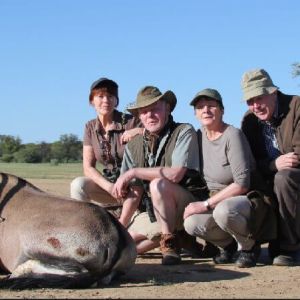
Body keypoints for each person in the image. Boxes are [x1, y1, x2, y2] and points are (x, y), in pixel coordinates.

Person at [112, 85, 207, 265]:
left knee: (158, 184)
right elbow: (136, 190)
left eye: (155, 109)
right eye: (144, 111)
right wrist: (121, 226)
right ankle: (180, 238)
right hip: (155, 211)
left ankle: (169, 243)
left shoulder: (184, 131)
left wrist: (134, 171)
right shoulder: (134, 145)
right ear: (139, 116)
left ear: (167, 108)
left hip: (187, 207)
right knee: (126, 244)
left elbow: (175, 175)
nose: (150, 115)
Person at [183, 88, 276, 268]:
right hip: (217, 198)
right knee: (191, 223)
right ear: (195, 114)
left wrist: (204, 204)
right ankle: (229, 246)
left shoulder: (233, 135)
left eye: (211, 106)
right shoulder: (198, 136)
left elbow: (242, 184)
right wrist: (138, 131)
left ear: (222, 110)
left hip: (247, 198)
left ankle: (249, 247)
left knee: (223, 211)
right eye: (200, 107)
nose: (206, 111)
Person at [241, 68, 300, 266]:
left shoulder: (297, 106)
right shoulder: (248, 121)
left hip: (293, 176)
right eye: (250, 101)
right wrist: (272, 164)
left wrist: (276, 167)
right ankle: (250, 245)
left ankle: (290, 247)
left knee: (284, 178)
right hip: (270, 174)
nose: (255, 106)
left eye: (259, 98)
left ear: (273, 92)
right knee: (245, 180)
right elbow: (249, 161)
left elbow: (297, 156)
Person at [70, 77, 143, 219]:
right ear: (92, 101)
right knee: (78, 185)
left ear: (116, 101)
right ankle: (84, 225)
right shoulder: (89, 127)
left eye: (110, 96)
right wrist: (109, 187)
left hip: (135, 187)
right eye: (100, 96)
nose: (106, 101)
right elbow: (88, 168)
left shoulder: (131, 121)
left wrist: (139, 131)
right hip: (109, 188)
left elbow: (155, 133)